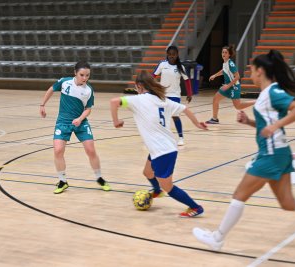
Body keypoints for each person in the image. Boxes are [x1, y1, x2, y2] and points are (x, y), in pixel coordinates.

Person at [192, 50, 295, 250]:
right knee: (287, 202)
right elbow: (266, 125)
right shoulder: (265, 94)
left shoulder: (273, 91)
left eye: (252, 70)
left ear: (260, 71)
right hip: (279, 153)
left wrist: (275, 126)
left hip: (271, 155)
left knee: (239, 195)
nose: (250, 75)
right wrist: (249, 122)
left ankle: (217, 238)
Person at [110, 70, 207, 217]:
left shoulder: (139, 100)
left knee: (168, 186)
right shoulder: (163, 100)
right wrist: (197, 124)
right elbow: (185, 109)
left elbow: (114, 102)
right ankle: (157, 191)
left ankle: (195, 207)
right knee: (147, 172)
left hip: (163, 151)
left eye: (136, 88)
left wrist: (116, 122)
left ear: (140, 86)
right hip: (164, 148)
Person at [39, 61, 111, 194]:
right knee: (58, 151)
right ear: (75, 73)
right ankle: (62, 181)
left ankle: (100, 178)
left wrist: (80, 119)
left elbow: (88, 109)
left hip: (80, 122)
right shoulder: (65, 82)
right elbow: (51, 89)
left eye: (87, 75)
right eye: (82, 75)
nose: (85, 78)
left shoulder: (88, 90)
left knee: (91, 150)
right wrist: (42, 105)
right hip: (63, 122)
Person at [152, 45, 193, 146]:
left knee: (175, 116)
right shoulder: (162, 64)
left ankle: (181, 137)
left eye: (173, 55)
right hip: (162, 95)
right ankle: (159, 137)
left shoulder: (180, 67)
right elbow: (153, 76)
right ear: (167, 54)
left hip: (175, 95)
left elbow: (187, 80)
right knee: (160, 116)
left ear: (177, 55)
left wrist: (189, 93)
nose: (171, 56)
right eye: (169, 54)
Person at [206, 45, 255, 124]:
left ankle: (255, 102)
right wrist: (215, 75)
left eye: (226, 52)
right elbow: (223, 70)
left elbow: (237, 76)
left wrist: (228, 86)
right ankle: (214, 119)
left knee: (238, 106)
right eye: (223, 52)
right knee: (215, 99)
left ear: (229, 54)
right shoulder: (225, 63)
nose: (224, 54)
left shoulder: (231, 64)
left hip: (234, 86)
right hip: (227, 86)